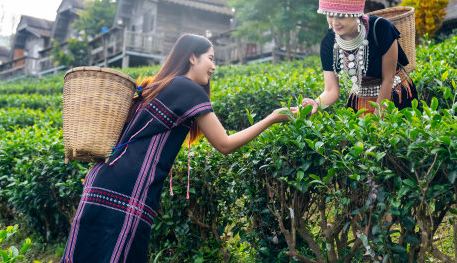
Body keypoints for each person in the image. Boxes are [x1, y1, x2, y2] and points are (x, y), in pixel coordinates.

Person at [61, 34, 296, 263]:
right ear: (193, 57)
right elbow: (224, 144)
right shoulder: (187, 88)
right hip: (130, 187)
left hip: (102, 177)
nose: (214, 66)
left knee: (87, 252)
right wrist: (271, 118)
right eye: (211, 58)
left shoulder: (153, 86)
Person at [301, 0, 418, 115]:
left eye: (341, 16)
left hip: (394, 94)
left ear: (356, 14)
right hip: (360, 99)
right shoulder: (329, 41)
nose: (334, 22)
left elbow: (389, 79)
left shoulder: (381, 28)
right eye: (330, 15)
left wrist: (378, 119)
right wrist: (316, 103)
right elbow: (331, 91)